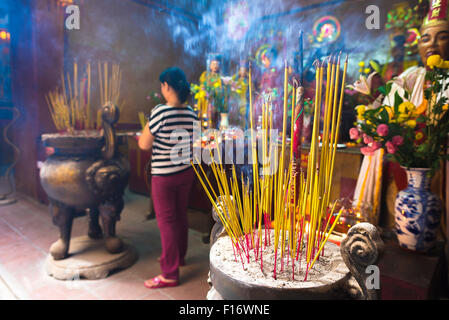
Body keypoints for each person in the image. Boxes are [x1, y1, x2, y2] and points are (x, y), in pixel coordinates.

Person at [354, 0, 449, 227]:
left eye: (442, 36)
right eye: (425, 38)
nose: (432, 44)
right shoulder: (409, 78)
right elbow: (382, 119)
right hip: (403, 172)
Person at [138, 67, 198, 288]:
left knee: (166, 222)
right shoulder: (192, 113)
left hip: (164, 176)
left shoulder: (160, 112)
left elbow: (144, 144)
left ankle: (170, 274)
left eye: (162, 85)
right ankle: (178, 257)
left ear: (167, 86)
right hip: (185, 173)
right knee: (180, 215)